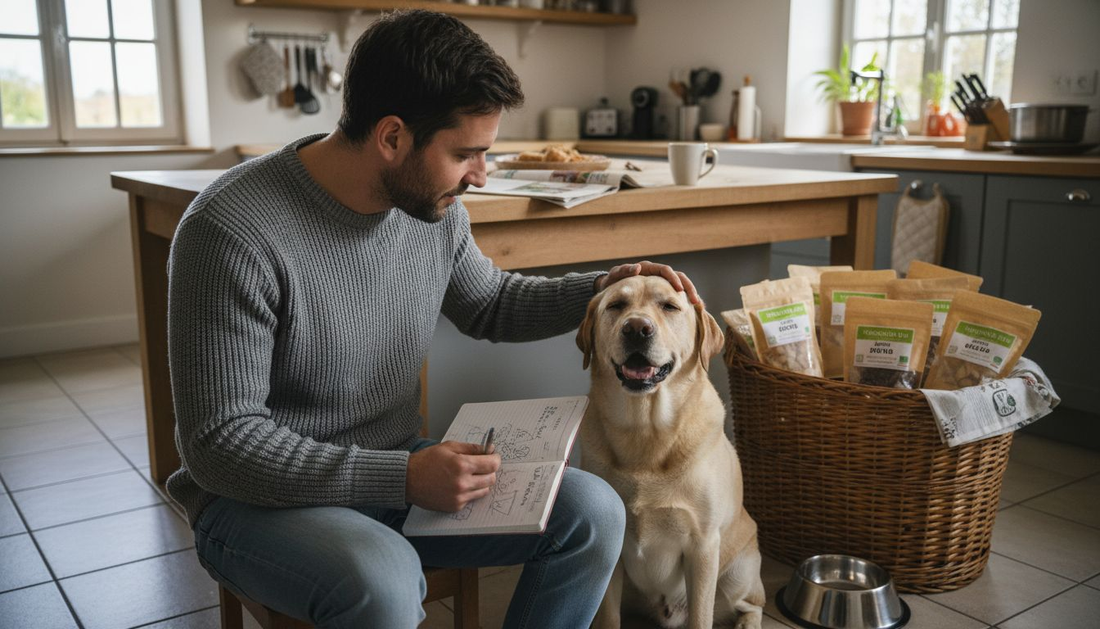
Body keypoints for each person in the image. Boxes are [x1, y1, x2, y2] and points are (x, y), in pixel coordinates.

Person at [167, 9, 700, 629]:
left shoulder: (431, 210)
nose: (481, 175)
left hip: (396, 467)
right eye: (466, 154)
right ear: (392, 137)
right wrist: (401, 477)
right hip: (255, 501)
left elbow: (491, 303)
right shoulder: (229, 231)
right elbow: (221, 445)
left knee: (595, 513)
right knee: (384, 578)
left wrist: (607, 289)